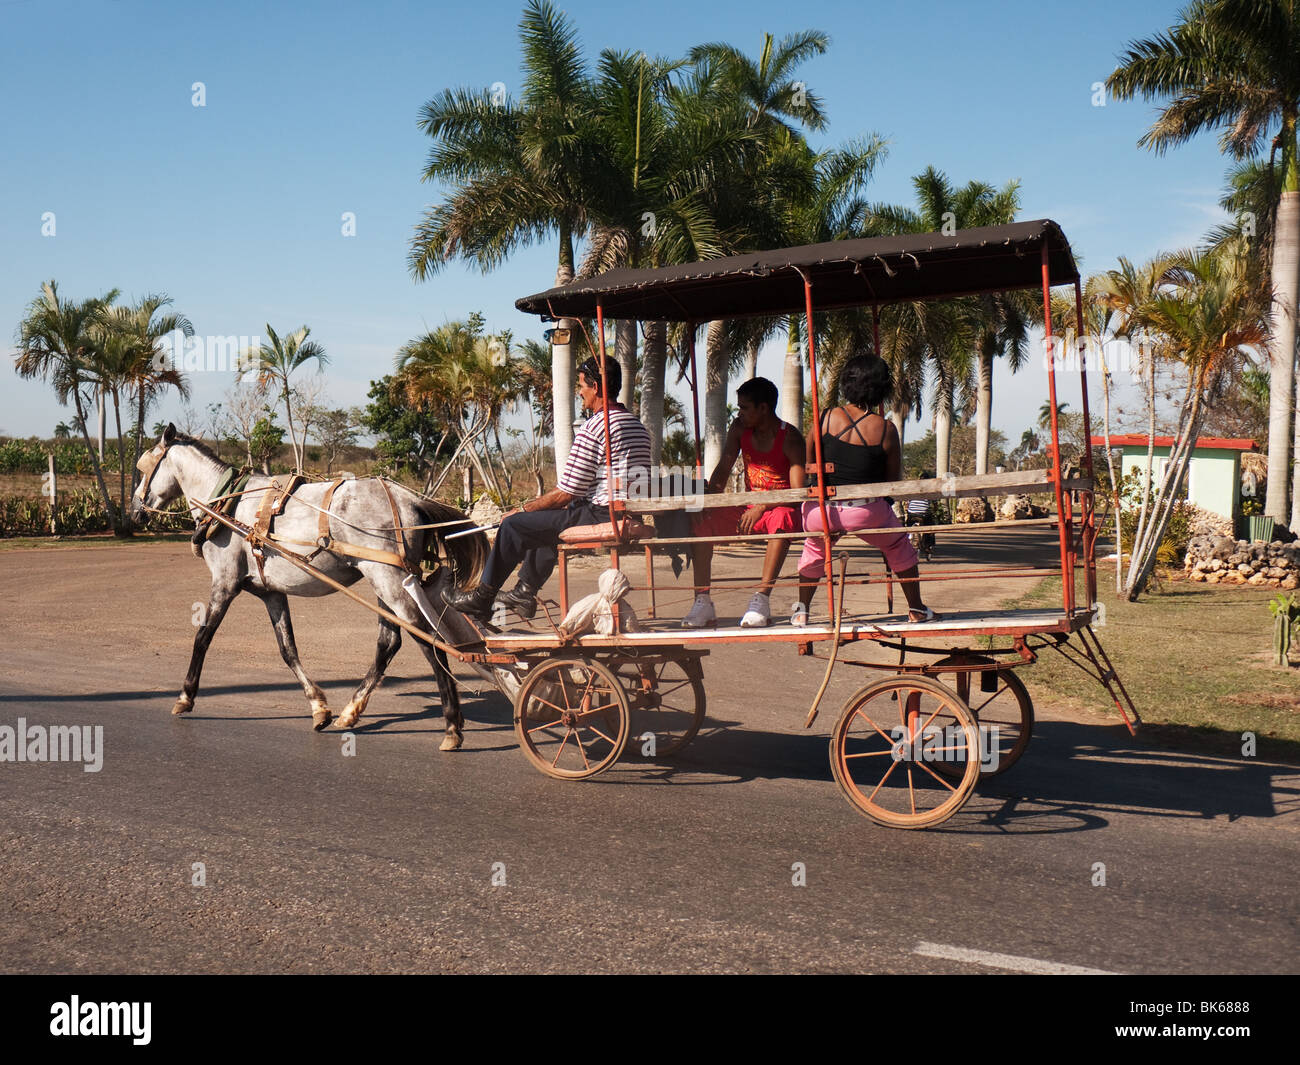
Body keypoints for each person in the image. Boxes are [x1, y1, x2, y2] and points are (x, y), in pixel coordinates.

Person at [447, 354, 651, 622]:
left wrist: (520, 509)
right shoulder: (637, 425)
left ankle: (482, 597)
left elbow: (567, 492)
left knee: (515, 525)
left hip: (603, 513)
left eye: (582, 386)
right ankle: (524, 591)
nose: (579, 393)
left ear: (597, 388)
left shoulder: (595, 428)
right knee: (542, 523)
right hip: (625, 510)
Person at [792, 353, 935, 626]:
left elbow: (810, 465)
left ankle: (802, 611)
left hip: (820, 511)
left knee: (814, 547)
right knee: (898, 545)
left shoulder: (822, 419)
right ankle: (916, 608)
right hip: (865, 511)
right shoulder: (885, 429)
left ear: (847, 383)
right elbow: (890, 482)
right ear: (881, 388)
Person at [681, 377, 805, 628]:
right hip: (746, 508)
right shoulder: (739, 429)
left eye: (744, 408)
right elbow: (723, 470)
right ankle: (702, 600)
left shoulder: (790, 437)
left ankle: (761, 599)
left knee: (782, 518)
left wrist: (762, 506)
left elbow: (798, 492)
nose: (740, 413)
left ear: (763, 408)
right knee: (701, 518)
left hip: (777, 510)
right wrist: (706, 502)